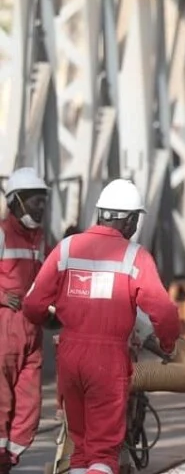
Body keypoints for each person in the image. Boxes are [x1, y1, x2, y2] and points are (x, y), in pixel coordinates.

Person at [23, 179, 181, 474]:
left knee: (80, 449)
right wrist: (169, 345)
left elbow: (32, 305)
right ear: (131, 219)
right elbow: (164, 312)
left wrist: (50, 319)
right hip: (108, 360)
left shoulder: (67, 248)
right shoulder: (135, 256)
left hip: (70, 355)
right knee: (104, 451)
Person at [0, 168, 48, 472]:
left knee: (29, 406)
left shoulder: (39, 239)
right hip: (4, 328)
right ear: (15, 201)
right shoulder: (2, 234)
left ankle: (10, 458)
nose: (40, 207)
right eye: (35, 201)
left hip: (32, 331)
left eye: (43, 201)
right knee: (1, 401)